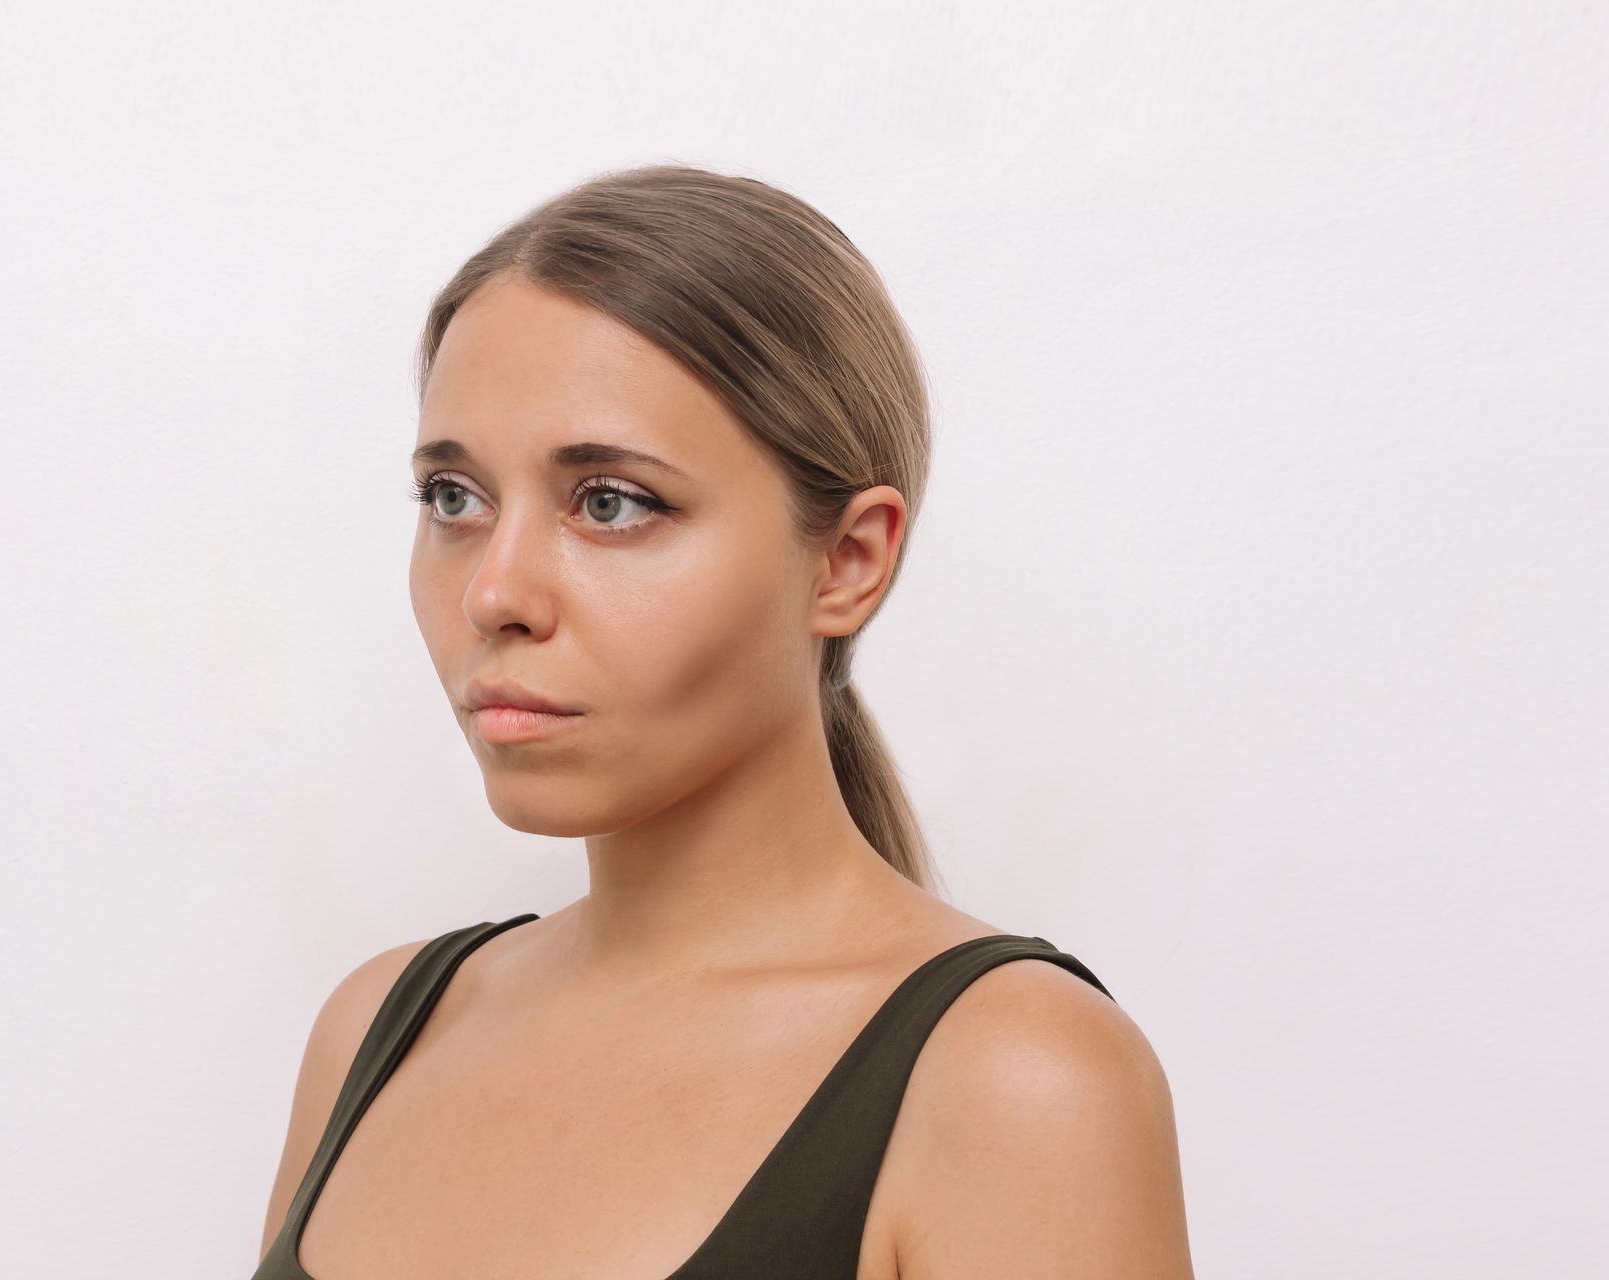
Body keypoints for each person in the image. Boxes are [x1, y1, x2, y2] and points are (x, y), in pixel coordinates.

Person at [252, 162, 1193, 1278]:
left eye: (611, 502)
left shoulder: (1016, 1081)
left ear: (848, 562)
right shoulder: (374, 1033)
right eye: (453, 498)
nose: (494, 594)